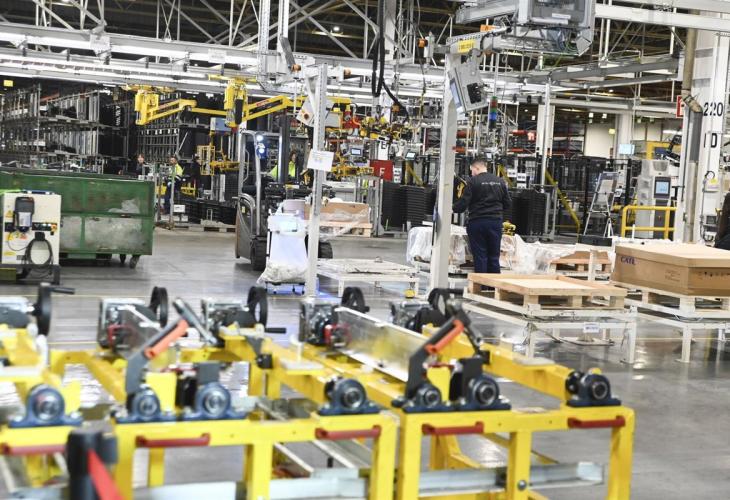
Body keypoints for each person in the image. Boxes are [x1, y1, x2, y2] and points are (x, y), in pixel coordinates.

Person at [453, 158, 511, 274]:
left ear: (477, 168)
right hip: (495, 223)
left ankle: (481, 284)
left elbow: (463, 203)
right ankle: (493, 284)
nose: (472, 173)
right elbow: (508, 204)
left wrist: (453, 208)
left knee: (480, 257)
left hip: (478, 222)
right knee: (494, 257)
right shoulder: (500, 181)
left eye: (472, 170)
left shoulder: (473, 182)